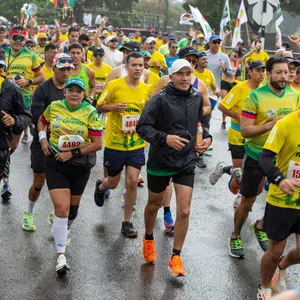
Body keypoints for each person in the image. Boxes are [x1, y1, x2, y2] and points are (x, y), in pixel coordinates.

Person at [136, 59, 212, 276]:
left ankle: (176, 256)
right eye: (180, 74)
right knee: (153, 205)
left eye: (189, 73)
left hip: (186, 160)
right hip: (161, 160)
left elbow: (199, 125)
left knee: (185, 209)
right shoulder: (159, 100)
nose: (185, 78)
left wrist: (206, 138)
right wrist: (165, 138)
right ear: (171, 77)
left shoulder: (197, 97)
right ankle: (149, 237)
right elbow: (142, 127)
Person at [228, 57, 300, 259]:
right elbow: (244, 131)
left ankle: (260, 225)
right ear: (268, 74)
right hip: (258, 156)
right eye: (279, 72)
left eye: (287, 72)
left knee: (282, 201)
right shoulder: (255, 97)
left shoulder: (295, 96)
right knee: (248, 201)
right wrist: (270, 125)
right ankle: (235, 235)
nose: (284, 76)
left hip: (284, 160)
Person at [37, 77, 102, 272]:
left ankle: (63, 227)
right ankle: (61, 256)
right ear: (64, 92)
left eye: (79, 91)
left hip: (80, 165)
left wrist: (71, 153)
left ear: (84, 94)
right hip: (55, 162)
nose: (75, 94)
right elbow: (41, 123)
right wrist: (43, 140)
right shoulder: (55, 106)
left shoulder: (90, 112)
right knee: (62, 209)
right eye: (71, 90)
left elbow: (97, 144)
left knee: (72, 212)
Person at [95, 52, 150, 238]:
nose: (137, 68)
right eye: (134, 65)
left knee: (133, 181)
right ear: (126, 67)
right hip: (115, 142)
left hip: (136, 143)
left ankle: (126, 222)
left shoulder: (145, 89)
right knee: (113, 181)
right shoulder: (114, 86)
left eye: (140, 65)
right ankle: (101, 187)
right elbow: (99, 105)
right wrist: (114, 108)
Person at [23, 53, 74, 231]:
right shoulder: (43, 90)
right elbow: (37, 117)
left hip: (66, 144)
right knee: (39, 181)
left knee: (63, 182)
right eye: (62, 69)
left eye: (69, 69)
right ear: (54, 68)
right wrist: (48, 133)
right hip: (43, 141)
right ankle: (29, 213)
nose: (66, 73)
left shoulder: (72, 89)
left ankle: (57, 212)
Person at [210, 61, 266, 209]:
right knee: (241, 173)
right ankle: (240, 194)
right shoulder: (239, 88)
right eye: (258, 71)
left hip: (255, 137)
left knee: (251, 172)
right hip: (237, 135)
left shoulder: (265, 90)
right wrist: (238, 116)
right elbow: (222, 106)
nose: (262, 74)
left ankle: (224, 171)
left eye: (263, 71)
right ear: (250, 72)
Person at [257, 109, 300, 299]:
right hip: (282, 199)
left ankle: (281, 267)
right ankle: (264, 287)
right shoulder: (285, 124)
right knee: (275, 251)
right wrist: (280, 179)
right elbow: (264, 158)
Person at [5, 27, 45, 144]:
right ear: (9, 38)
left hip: (22, 101)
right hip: (3, 99)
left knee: (15, 141)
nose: (18, 41)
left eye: (21, 39)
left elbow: (41, 77)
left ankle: (6, 157)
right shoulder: (2, 53)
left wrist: (27, 82)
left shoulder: (31, 56)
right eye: (15, 38)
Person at [0, 52, 31, 199]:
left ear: (3, 69)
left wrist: (14, 120)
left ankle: (5, 182)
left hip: (2, 143)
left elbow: (26, 116)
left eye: (0, 67)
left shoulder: (12, 89)